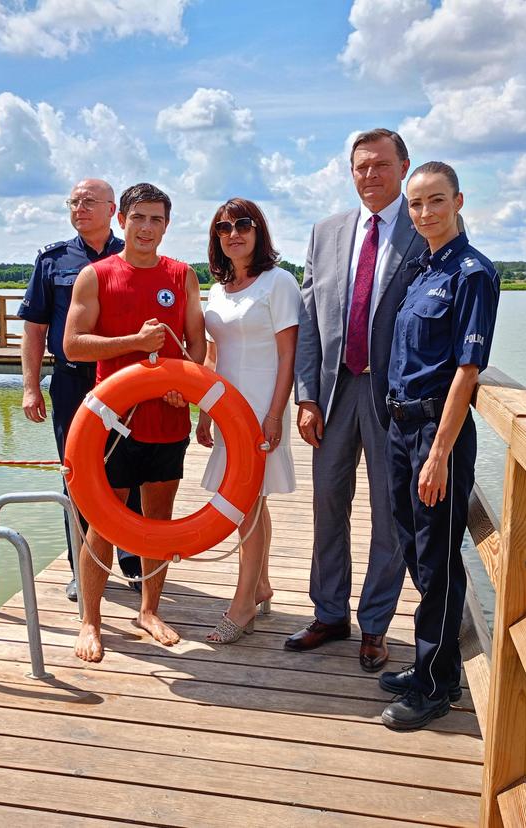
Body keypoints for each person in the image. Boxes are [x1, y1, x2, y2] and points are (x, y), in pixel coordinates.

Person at [288, 128, 428, 672]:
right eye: (360, 167)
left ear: (403, 166)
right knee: (327, 503)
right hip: (334, 388)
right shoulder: (326, 232)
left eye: (380, 165)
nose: (370, 176)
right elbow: (306, 322)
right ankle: (329, 613)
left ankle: (374, 625)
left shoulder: (423, 230)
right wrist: (306, 396)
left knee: (389, 515)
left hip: (392, 398)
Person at [378, 161, 500, 730]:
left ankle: (435, 687)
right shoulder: (423, 269)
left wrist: (440, 452)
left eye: (436, 201)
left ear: (458, 201)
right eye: (416, 204)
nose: (424, 212)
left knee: (438, 560)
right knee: (415, 553)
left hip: (435, 434)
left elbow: (466, 369)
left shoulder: (472, 273)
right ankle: (437, 665)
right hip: (402, 429)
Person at [63, 182, 206, 663]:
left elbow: (196, 345)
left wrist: (182, 384)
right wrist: (133, 342)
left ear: (167, 225)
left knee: (157, 523)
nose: (147, 228)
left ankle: (149, 610)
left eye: (157, 220)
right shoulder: (96, 274)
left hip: (167, 417)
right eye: (139, 218)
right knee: (102, 523)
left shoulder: (181, 275)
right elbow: (73, 345)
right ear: (121, 220)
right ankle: (91, 620)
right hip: (111, 423)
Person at [18, 178, 143, 602]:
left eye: (89, 201)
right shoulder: (52, 261)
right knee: (78, 474)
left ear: (113, 210)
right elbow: (34, 329)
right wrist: (31, 387)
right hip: (73, 381)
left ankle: (132, 560)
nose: (79, 207)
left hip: (125, 381)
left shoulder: (133, 255)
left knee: (130, 472)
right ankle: (82, 564)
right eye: (73, 201)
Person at [196, 199, 301, 644]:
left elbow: (288, 355)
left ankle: (243, 606)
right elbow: (213, 354)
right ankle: (259, 585)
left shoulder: (279, 283)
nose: (233, 233)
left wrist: (275, 414)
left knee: (246, 503)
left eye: (243, 224)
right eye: (224, 227)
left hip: (260, 406)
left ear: (259, 230)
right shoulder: (218, 289)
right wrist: (203, 411)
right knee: (250, 501)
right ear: (216, 237)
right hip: (225, 406)